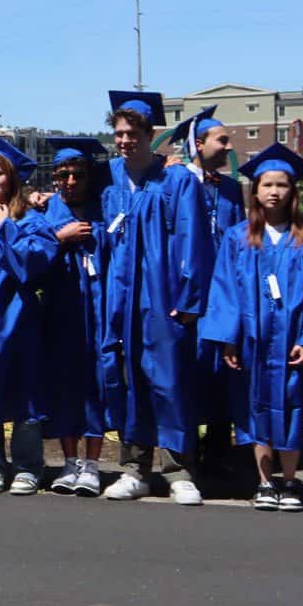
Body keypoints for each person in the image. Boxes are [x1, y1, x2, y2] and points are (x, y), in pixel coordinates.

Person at [198, 145, 303, 512]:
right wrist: (228, 340)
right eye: (267, 184)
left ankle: (289, 482)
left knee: (292, 405)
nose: (274, 191)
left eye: (282, 184)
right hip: (252, 343)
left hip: (293, 342)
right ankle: (264, 482)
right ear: (255, 191)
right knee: (254, 406)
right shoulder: (238, 238)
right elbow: (223, 289)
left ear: (293, 190)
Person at [98, 90, 208, 506]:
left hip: (163, 296)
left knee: (169, 379)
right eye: (120, 134)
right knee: (127, 379)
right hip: (119, 296)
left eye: (133, 133)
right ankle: (135, 469)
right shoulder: (108, 179)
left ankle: (179, 471)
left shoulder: (177, 181)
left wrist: (190, 297)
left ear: (150, 134)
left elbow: (194, 240)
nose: (125, 140)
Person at [0, 140, 56, 494]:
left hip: (20, 320)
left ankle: (27, 466)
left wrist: (7, 227)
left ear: (12, 178)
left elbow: (35, 263)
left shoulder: (30, 219)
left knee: (26, 390)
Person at [168, 104, 244, 489]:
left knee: (221, 377)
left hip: (225, 295)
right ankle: (186, 460)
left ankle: (217, 459)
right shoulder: (176, 182)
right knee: (188, 376)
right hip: (188, 298)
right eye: (223, 140)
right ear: (199, 144)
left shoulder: (231, 188)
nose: (229, 147)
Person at [39, 138, 114, 495]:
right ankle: (69, 465)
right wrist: (59, 236)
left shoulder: (104, 208)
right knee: (65, 386)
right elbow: (31, 257)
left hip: (98, 310)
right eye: (63, 175)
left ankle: (93, 466)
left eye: (77, 175)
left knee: (96, 385)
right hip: (60, 311)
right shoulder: (45, 211)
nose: (70, 181)